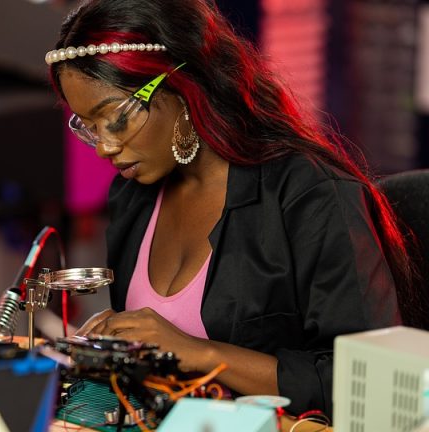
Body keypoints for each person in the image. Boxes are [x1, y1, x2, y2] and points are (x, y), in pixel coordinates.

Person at [45, 0, 423, 418]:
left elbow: (371, 385)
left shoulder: (312, 198)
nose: (104, 147)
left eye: (116, 119)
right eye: (88, 127)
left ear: (182, 84)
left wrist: (201, 353)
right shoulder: (133, 195)